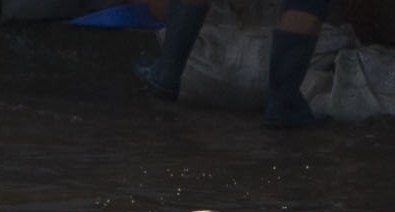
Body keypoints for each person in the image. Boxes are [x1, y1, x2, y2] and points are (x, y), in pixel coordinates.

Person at [134, 0, 329, 127]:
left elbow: (159, 11)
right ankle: (283, 104)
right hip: (296, 75)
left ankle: (166, 76)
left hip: (199, 69)